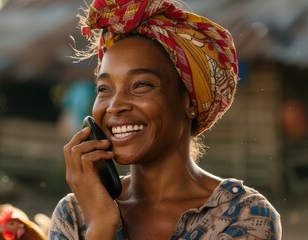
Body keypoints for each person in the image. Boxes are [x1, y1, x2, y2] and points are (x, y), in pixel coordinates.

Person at [49, 0, 282, 239]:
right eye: (104, 89)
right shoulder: (74, 214)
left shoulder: (244, 215)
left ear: (189, 102)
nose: (115, 106)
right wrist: (100, 222)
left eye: (141, 85)